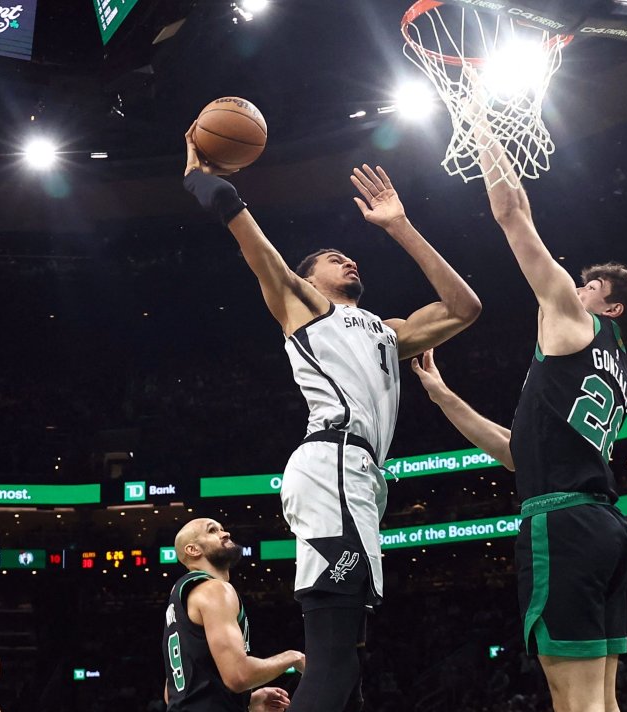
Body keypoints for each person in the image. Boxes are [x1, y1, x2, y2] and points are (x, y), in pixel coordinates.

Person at [181, 131, 481, 711]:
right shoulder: (302, 304)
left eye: (350, 255)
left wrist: (399, 227)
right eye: (331, 258)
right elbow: (247, 232)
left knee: (346, 653)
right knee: (334, 649)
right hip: (334, 461)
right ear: (308, 277)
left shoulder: (388, 331)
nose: (348, 258)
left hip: (359, 473)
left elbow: (466, 307)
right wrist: (200, 179)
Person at [406, 107, 627, 712]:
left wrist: (479, 126)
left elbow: (513, 214)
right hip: (604, 527)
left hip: (563, 524)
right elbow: (518, 454)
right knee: (602, 701)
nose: (575, 285)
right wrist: (443, 395)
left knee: (575, 703)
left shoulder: (572, 321)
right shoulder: (615, 368)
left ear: (610, 309)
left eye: (590, 285)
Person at [164, 518, 302, 711]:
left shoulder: (180, 596)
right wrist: (292, 657)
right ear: (193, 550)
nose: (226, 533)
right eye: (212, 531)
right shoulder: (214, 589)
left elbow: (172, 692)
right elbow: (238, 675)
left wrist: (248, 701)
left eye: (222, 528)